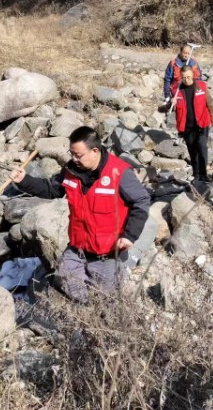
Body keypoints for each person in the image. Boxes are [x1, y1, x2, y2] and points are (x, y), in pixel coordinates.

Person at [9, 126, 150, 302]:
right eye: (72, 153)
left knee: (107, 301)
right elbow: (52, 190)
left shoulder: (119, 173)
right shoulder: (71, 171)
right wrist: (24, 181)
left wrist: (130, 235)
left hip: (108, 253)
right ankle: (82, 315)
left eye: (79, 155)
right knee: (67, 282)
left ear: (95, 151)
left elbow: (141, 201)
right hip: (77, 248)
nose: (74, 159)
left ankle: (98, 321)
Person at [173, 66, 213, 184]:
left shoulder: (201, 86)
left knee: (202, 147)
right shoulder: (177, 89)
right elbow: (164, 109)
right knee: (192, 150)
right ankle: (197, 174)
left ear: (193, 75)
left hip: (202, 123)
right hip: (186, 126)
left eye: (188, 77)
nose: (186, 80)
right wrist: (170, 103)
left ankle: (204, 174)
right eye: (183, 78)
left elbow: (209, 104)